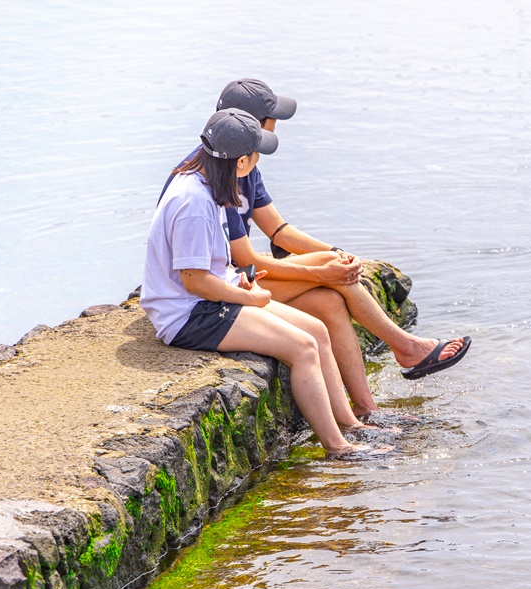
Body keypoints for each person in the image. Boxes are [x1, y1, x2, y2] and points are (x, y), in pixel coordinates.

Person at [164, 78, 471, 418]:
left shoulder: (244, 165)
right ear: (250, 127)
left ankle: (367, 410)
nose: (276, 125)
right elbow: (244, 258)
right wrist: (321, 271)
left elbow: (278, 231)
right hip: (232, 283)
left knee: (329, 300)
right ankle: (407, 348)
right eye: (271, 118)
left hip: (240, 277)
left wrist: (337, 253)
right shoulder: (220, 174)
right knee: (331, 278)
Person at [141, 108, 385, 459]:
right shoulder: (192, 202)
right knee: (302, 347)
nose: (258, 163)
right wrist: (251, 299)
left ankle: (352, 425)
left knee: (316, 329)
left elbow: (210, 267)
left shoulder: (205, 183)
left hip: (212, 298)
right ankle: (339, 449)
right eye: (256, 155)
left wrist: (238, 284)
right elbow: (194, 281)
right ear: (241, 163)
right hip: (189, 316)